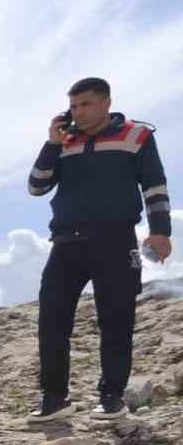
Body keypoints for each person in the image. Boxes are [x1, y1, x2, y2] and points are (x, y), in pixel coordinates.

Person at [26, 77, 171, 424]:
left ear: (106, 102)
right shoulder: (65, 141)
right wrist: (51, 143)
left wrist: (161, 232)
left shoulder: (137, 136)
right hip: (66, 243)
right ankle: (54, 398)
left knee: (117, 320)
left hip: (117, 241)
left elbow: (154, 186)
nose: (78, 112)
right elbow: (36, 186)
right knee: (52, 320)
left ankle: (112, 398)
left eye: (86, 104)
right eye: (74, 106)